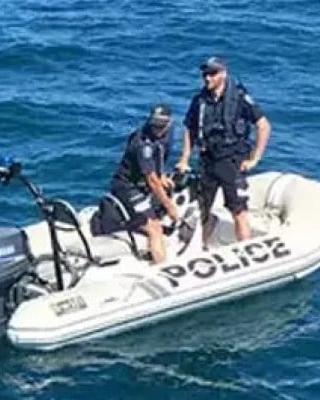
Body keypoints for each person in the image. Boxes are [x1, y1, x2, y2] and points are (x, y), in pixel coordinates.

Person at [175, 56, 270, 246]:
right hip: (207, 159)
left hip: (232, 160)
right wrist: (185, 157)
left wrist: (255, 158)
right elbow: (189, 128)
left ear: (223, 74)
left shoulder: (240, 98)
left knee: (238, 209)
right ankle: (200, 248)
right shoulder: (200, 100)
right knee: (202, 208)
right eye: (205, 74)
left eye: (212, 73)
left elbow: (264, 126)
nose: (207, 78)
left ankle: (245, 248)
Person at [106, 103, 181, 264]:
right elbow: (152, 181)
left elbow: (160, 154)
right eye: (154, 126)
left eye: (161, 127)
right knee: (155, 228)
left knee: (169, 189)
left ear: (169, 123)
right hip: (127, 187)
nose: (157, 130)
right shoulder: (142, 144)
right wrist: (170, 206)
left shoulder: (169, 131)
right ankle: (161, 268)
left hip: (144, 183)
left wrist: (162, 175)